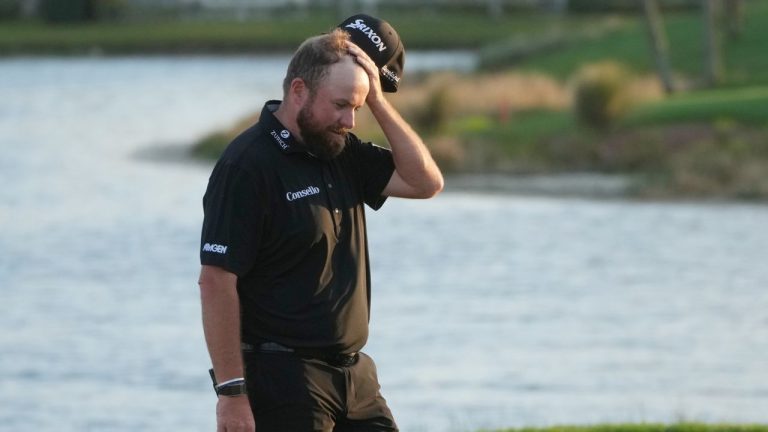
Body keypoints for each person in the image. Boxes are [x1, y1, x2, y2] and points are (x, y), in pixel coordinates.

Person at [198, 14, 443, 432]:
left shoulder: (340, 149)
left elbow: (425, 183)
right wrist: (232, 394)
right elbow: (216, 281)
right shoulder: (247, 165)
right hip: (284, 379)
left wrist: (378, 102)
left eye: (357, 108)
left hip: (356, 377)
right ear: (298, 91)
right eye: (340, 105)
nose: (349, 121)